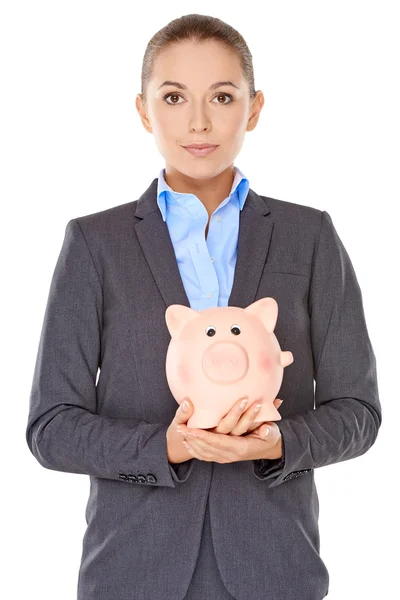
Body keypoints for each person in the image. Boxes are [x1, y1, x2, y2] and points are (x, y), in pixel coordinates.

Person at [25, 13, 381, 600]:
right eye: (173, 97)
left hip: (275, 572)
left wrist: (275, 445)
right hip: (132, 574)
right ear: (143, 110)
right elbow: (52, 428)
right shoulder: (95, 243)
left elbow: (358, 412)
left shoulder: (309, 235)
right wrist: (171, 445)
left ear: (255, 108)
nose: (197, 121)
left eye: (221, 96)